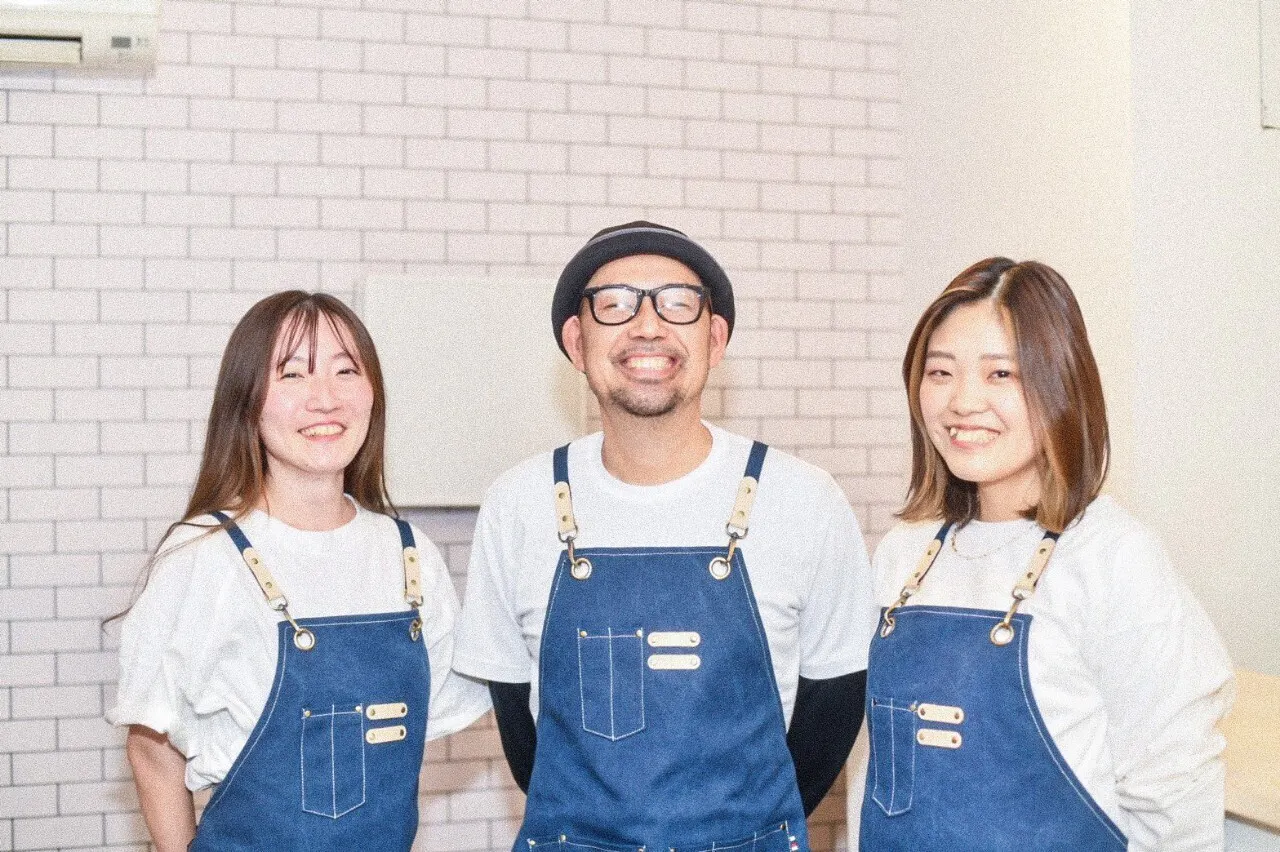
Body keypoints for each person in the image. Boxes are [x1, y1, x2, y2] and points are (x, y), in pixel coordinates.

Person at [454, 221, 878, 852]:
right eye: (614, 304)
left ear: (716, 338)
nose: (648, 326)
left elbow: (835, 706)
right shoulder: (518, 503)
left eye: (678, 304)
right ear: (576, 341)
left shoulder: (805, 500)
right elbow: (518, 719)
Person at [857, 258, 1234, 851]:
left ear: (1059, 386)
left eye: (1001, 374)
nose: (963, 402)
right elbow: (877, 777)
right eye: (940, 372)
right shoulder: (905, 554)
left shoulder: (1112, 558)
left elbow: (1174, 796)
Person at [107, 291, 489, 851]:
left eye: (345, 371)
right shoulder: (204, 556)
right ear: (247, 401)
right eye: (292, 374)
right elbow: (151, 749)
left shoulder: (410, 555)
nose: (325, 399)